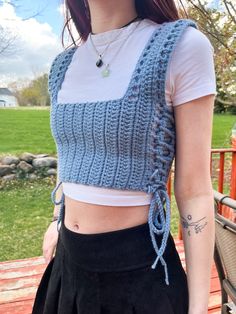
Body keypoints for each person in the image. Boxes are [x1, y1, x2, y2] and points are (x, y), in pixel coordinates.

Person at [32, 0, 217, 313]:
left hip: (138, 278)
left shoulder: (181, 47)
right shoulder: (63, 65)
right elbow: (69, 155)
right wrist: (55, 220)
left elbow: (196, 192)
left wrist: (198, 309)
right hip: (67, 270)